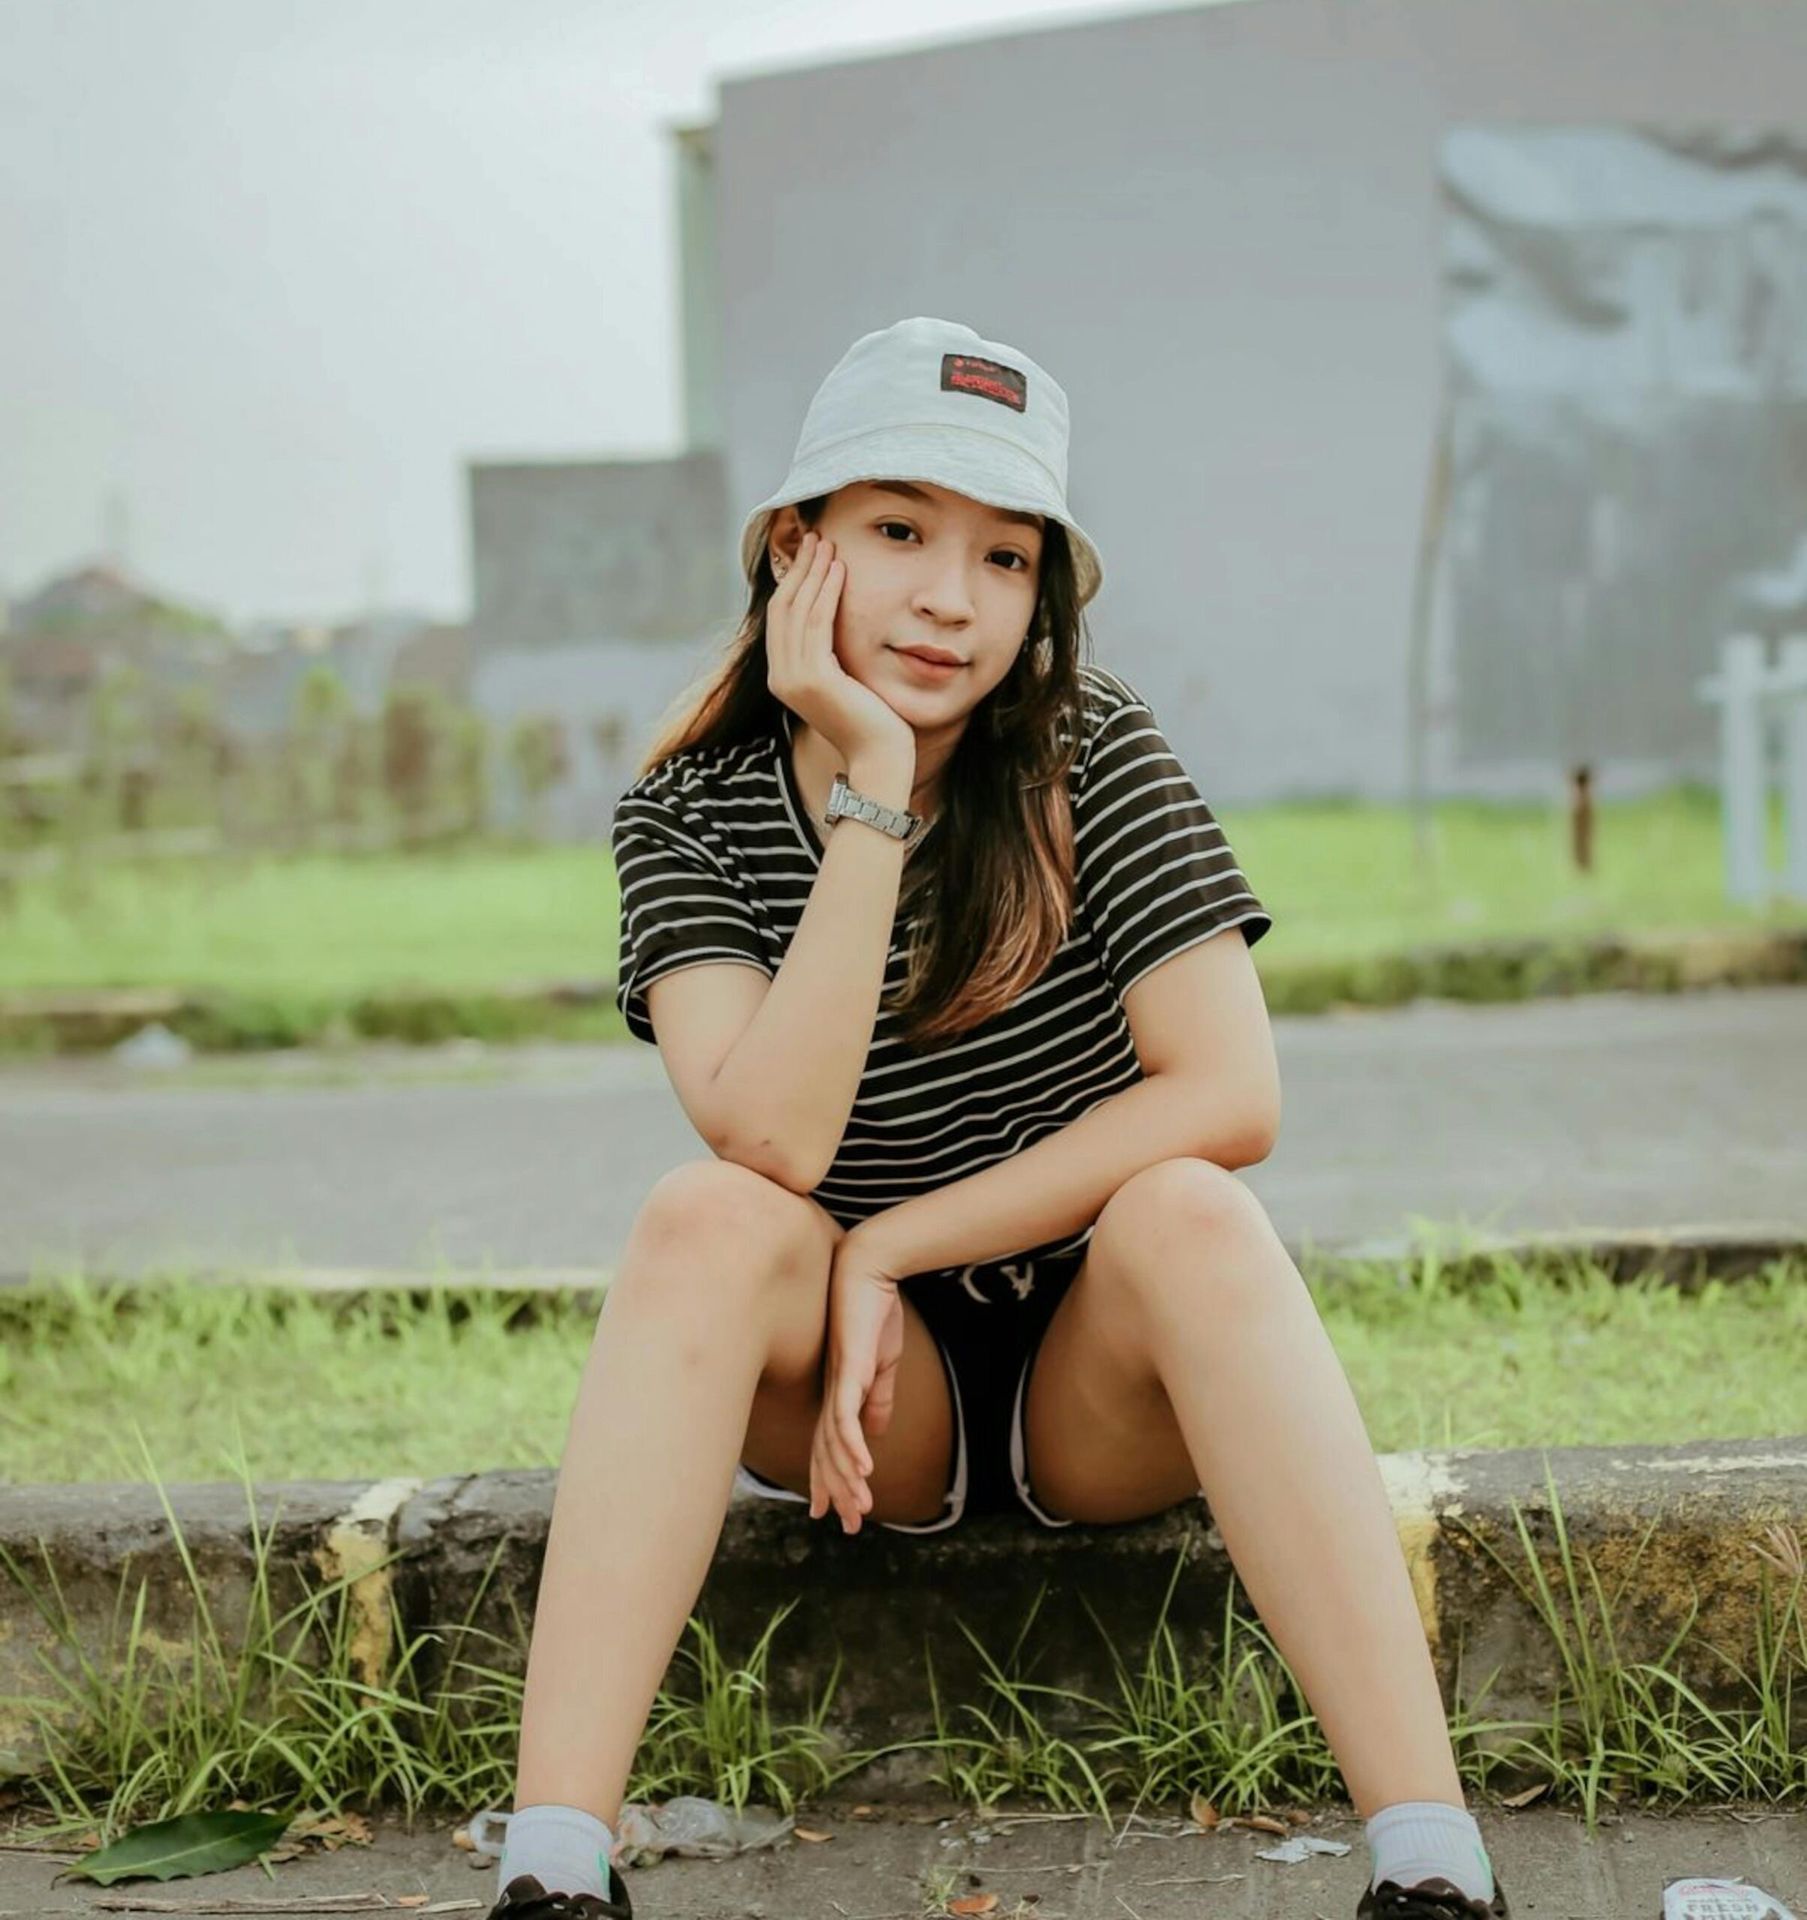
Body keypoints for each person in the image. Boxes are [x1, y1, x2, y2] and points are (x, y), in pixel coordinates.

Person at [482, 317, 1510, 1920]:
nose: (952, 598)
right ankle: (554, 1865)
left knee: (1192, 1207)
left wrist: (892, 1242)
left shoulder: (1094, 752)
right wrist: (877, 787)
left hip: (1099, 1382)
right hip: (863, 1414)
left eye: (1005, 556)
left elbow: (1229, 1094)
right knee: (701, 1219)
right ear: (795, 549)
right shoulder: (687, 812)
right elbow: (771, 1144)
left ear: (1043, 595)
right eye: (900, 532)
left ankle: (1434, 1863)